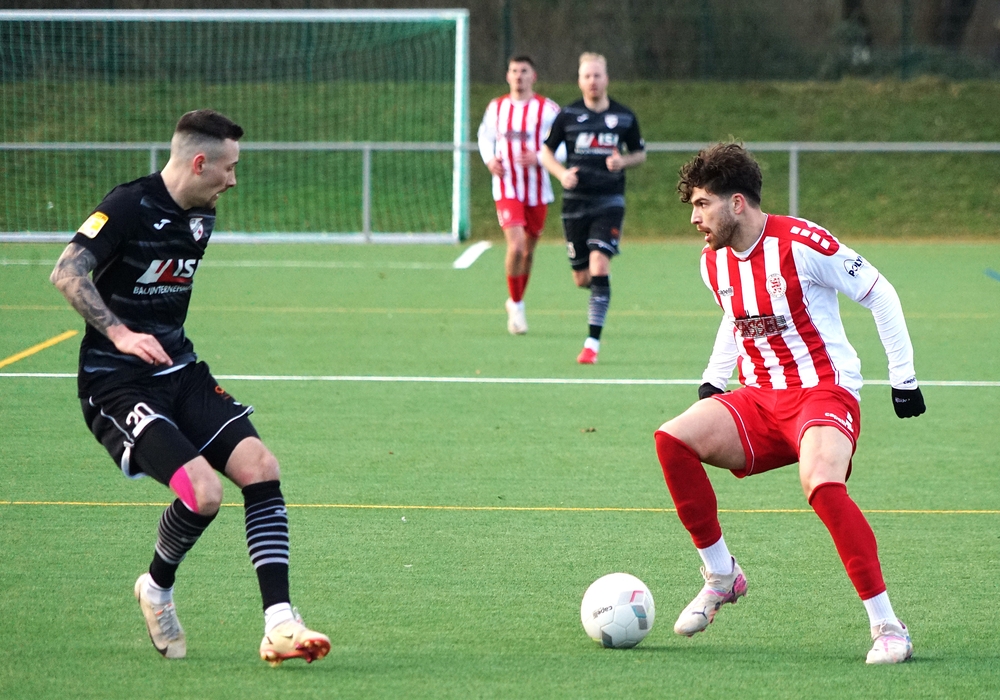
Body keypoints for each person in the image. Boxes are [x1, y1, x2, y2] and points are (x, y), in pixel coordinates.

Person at [49, 110, 330, 666]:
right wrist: (121, 333)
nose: (234, 181)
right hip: (116, 383)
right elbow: (66, 272)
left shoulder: (203, 216)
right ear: (199, 162)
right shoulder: (129, 204)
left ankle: (280, 623)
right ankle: (156, 589)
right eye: (229, 168)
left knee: (261, 467)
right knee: (203, 494)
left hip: (181, 370)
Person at [656, 142, 926, 664]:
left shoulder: (803, 242)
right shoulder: (713, 262)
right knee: (672, 439)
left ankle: (889, 627)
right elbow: (735, 317)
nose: (694, 217)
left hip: (823, 391)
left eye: (702, 204)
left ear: (737, 203)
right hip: (758, 398)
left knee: (821, 483)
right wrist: (714, 379)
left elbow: (880, 292)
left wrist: (904, 378)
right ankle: (721, 575)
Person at [539, 52, 645, 363]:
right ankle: (601, 291)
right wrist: (562, 174)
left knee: (599, 264)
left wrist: (623, 161)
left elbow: (639, 153)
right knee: (583, 278)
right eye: (587, 76)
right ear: (580, 80)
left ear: (606, 78)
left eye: (597, 75)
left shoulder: (624, 116)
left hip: (609, 200)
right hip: (575, 203)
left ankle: (591, 345)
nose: (593, 81)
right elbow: (545, 153)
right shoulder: (568, 115)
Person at [478, 55, 560, 335]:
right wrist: (490, 159)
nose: (518, 76)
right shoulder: (497, 107)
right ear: (507, 76)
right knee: (516, 246)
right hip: (507, 187)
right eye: (514, 70)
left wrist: (539, 156)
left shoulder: (548, 109)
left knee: (528, 251)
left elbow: (563, 144)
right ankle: (516, 304)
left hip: (537, 190)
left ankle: (517, 300)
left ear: (533, 76)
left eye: (524, 71)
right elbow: (484, 137)